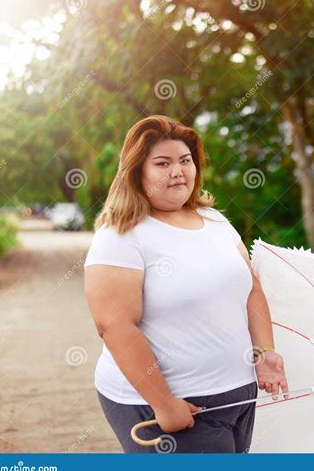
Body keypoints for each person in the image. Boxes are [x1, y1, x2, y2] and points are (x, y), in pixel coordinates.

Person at [84, 115, 289, 453]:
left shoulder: (214, 219)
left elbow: (250, 288)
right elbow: (115, 326)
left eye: (185, 160)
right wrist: (164, 404)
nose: (178, 171)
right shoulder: (120, 235)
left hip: (237, 398)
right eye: (163, 163)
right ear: (137, 172)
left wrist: (265, 352)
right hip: (174, 407)